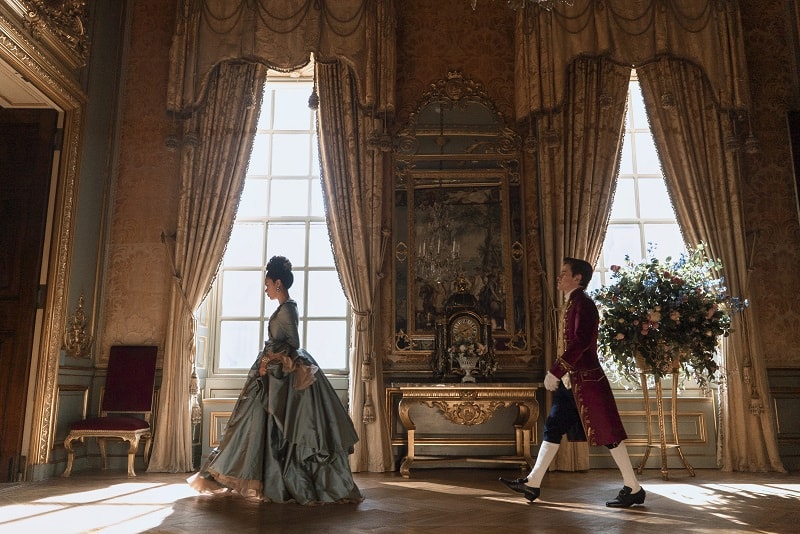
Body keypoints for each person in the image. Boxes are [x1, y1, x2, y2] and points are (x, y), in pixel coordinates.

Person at [188, 255, 363, 505]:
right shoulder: (284, 308)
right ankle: (257, 479)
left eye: (268, 283)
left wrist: (269, 358)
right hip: (271, 375)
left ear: (278, 283)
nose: (266, 288)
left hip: (282, 375)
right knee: (256, 426)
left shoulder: (288, 309)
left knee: (281, 430)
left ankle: (282, 483)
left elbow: (294, 345)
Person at [499, 257, 645, 508]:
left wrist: (555, 371)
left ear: (577, 277)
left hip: (587, 381)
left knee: (609, 435)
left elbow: (580, 343)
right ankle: (532, 483)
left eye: (563, 273)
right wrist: (561, 374)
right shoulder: (573, 304)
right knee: (553, 427)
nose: (559, 277)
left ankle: (634, 488)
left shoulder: (584, 305)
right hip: (572, 383)